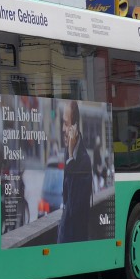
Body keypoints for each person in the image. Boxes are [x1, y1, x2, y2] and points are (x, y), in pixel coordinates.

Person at [56, 101, 94, 244]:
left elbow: (73, 207)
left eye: (66, 124)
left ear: (75, 127)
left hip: (75, 238)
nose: (62, 128)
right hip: (66, 235)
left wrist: (71, 157)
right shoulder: (68, 152)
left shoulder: (84, 160)